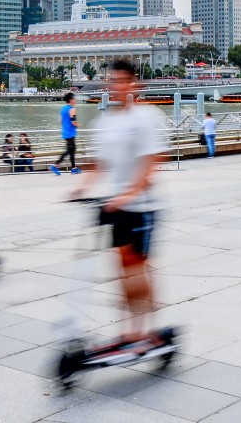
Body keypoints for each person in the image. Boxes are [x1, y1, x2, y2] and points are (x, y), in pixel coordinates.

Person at [70, 60, 168, 350]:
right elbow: (99, 165)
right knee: (123, 272)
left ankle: (147, 330)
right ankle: (129, 331)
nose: (117, 86)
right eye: (113, 80)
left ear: (134, 84)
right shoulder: (106, 121)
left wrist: (129, 193)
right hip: (117, 208)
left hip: (143, 207)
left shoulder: (147, 116)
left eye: (123, 80)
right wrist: (82, 188)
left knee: (138, 270)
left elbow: (153, 163)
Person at [50, 92, 80, 175]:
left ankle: (73, 168)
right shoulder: (72, 109)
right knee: (69, 151)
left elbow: (61, 121)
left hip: (65, 132)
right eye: (74, 98)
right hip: (71, 133)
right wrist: (78, 125)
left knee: (71, 151)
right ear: (71, 100)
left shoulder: (63, 108)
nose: (75, 100)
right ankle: (55, 165)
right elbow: (73, 121)